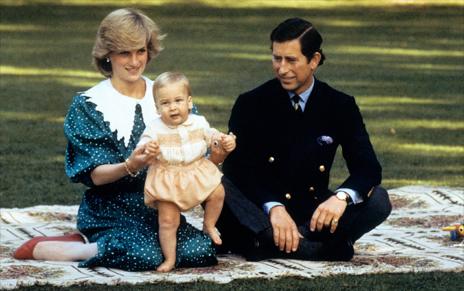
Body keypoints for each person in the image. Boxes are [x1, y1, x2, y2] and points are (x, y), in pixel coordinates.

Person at [12, 8, 224, 271]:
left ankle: (101, 245)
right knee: (143, 255)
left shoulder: (168, 96)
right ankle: (77, 247)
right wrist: (131, 165)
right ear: (107, 55)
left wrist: (218, 152)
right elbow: (95, 175)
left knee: (201, 250)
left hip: (161, 207)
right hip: (109, 208)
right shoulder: (89, 105)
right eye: (125, 52)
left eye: (140, 51)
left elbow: (198, 160)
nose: (135, 61)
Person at [216, 17, 392, 261]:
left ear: (314, 60)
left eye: (291, 60)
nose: (282, 68)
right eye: (277, 58)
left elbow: (368, 168)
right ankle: (324, 247)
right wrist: (274, 207)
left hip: (312, 212)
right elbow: (239, 170)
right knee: (215, 183)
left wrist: (340, 198)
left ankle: (273, 244)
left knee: (379, 200)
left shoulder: (340, 105)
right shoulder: (251, 103)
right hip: (261, 212)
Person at [138, 72, 236, 272]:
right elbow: (143, 143)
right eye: (165, 103)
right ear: (157, 108)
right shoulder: (154, 128)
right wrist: (148, 148)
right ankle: (170, 259)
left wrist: (223, 140)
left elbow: (212, 136)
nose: (172, 107)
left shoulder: (198, 122)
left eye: (178, 101)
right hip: (168, 178)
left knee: (218, 192)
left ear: (189, 102)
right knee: (167, 220)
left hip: (195, 171)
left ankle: (208, 224)